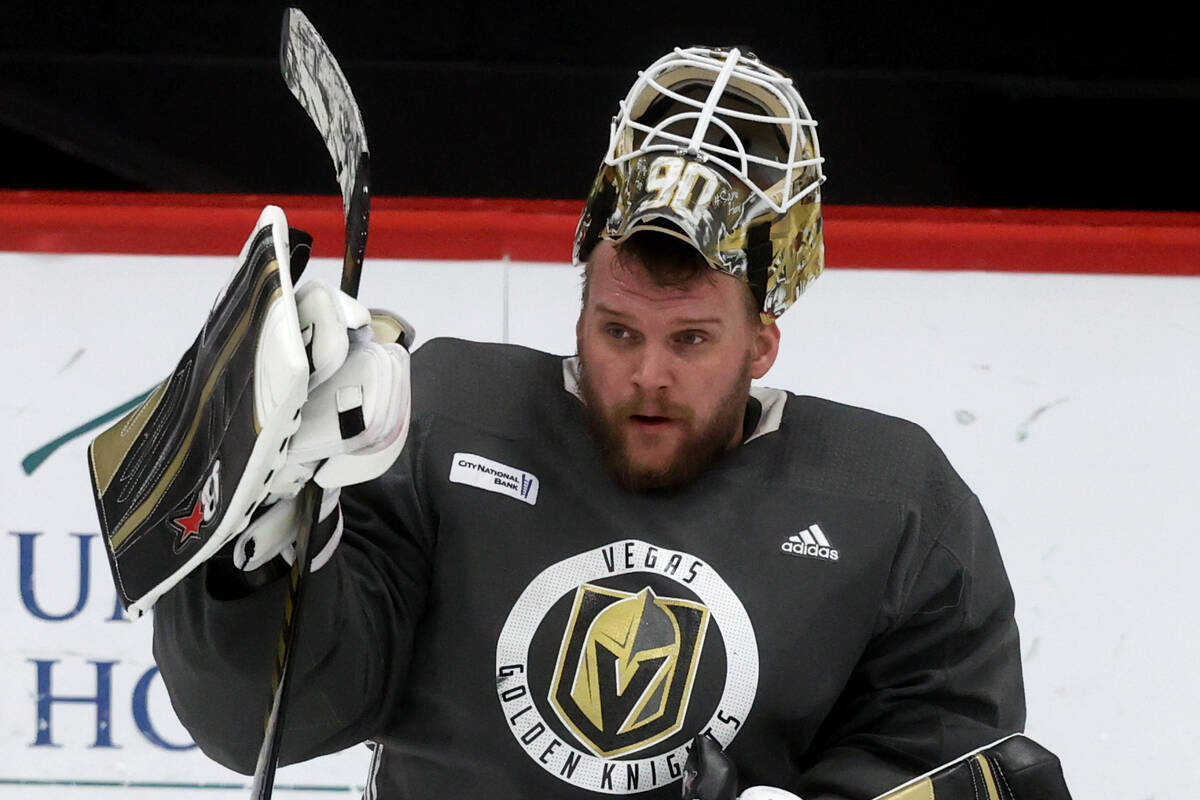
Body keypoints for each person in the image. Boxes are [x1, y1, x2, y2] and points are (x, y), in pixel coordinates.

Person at [145, 46, 1025, 799]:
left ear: (762, 343)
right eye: (617, 330)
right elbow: (271, 717)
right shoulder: (445, 417)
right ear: (578, 311)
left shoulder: (897, 506)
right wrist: (263, 540)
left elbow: (940, 758)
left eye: (691, 339)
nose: (647, 373)